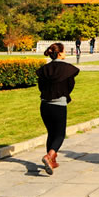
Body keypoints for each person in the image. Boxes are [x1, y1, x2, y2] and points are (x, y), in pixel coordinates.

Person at [36, 43, 80, 175]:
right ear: (60, 53)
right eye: (64, 51)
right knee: (60, 134)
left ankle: (52, 161)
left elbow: (40, 86)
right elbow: (70, 85)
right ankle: (49, 156)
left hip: (45, 105)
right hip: (59, 105)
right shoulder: (67, 69)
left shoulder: (44, 69)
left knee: (51, 133)